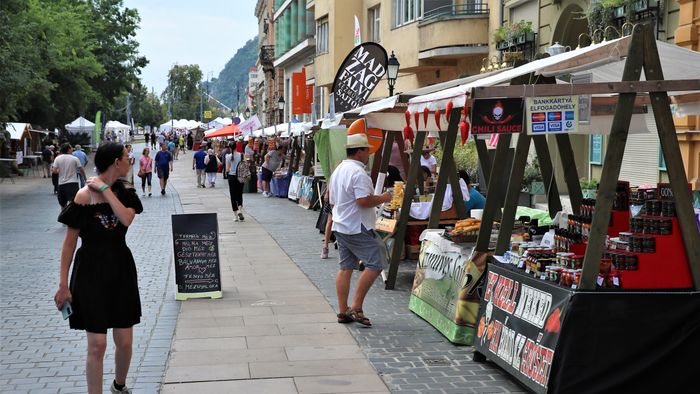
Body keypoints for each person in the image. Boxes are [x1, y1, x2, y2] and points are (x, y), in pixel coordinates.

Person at [53, 142, 143, 394]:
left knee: (124, 342)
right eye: (127, 157)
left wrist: (105, 189)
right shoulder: (83, 196)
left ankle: (119, 386)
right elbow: (69, 245)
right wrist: (63, 285)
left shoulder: (126, 192)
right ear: (117, 162)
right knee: (97, 344)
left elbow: (125, 218)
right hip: (90, 272)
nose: (129, 161)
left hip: (120, 270)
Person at [329, 134, 392, 327]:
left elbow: (331, 199)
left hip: (341, 224)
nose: (368, 154)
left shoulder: (339, 169)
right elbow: (363, 201)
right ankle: (356, 306)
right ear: (359, 151)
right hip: (357, 226)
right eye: (366, 150)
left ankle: (342, 310)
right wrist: (383, 197)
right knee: (377, 261)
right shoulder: (358, 173)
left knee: (346, 267)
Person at [53, 143, 86, 208]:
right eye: (71, 148)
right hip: (73, 183)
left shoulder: (57, 158)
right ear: (68, 149)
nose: (72, 149)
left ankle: (63, 216)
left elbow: (54, 171)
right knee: (73, 204)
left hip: (62, 183)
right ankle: (72, 217)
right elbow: (81, 169)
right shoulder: (75, 159)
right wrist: (85, 178)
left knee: (63, 205)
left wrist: (59, 171)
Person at [225, 142, 245, 222]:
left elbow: (227, 169)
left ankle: (236, 216)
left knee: (233, 196)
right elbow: (244, 165)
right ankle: (240, 208)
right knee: (239, 194)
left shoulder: (228, 157)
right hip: (240, 177)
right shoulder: (241, 155)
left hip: (232, 177)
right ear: (236, 147)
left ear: (230, 148)